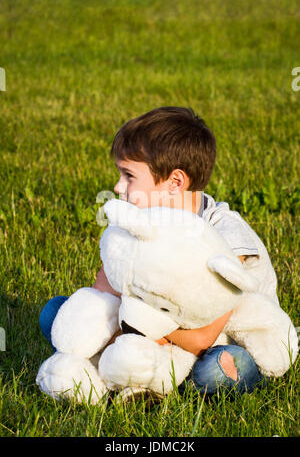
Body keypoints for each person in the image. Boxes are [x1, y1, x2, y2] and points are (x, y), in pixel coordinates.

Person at [40, 107, 275, 396]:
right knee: (56, 312)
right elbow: (103, 291)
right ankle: (137, 374)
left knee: (214, 371)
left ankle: (143, 374)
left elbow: (203, 337)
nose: (117, 187)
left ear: (175, 182)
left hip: (217, 343)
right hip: (149, 329)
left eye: (128, 176)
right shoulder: (140, 221)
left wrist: (134, 326)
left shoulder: (225, 237)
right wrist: (103, 325)